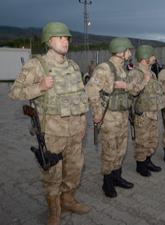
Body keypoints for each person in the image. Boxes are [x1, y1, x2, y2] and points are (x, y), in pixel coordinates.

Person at [9, 22, 90, 225]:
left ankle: (68, 199)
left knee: (74, 169)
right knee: (52, 174)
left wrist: (83, 124)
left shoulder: (73, 66)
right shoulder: (37, 65)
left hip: (74, 132)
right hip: (52, 132)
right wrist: (40, 86)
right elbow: (15, 92)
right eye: (61, 37)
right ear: (49, 40)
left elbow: (80, 98)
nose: (66, 41)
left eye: (67, 38)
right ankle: (54, 210)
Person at [85, 37, 134, 198]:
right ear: (121, 52)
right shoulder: (105, 68)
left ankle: (117, 177)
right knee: (109, 151)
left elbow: (128, 90)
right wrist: (97, 113)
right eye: (128, 50)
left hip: (122, 115)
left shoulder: (122, 69)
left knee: (121, 149)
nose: (130, 53)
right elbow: (91, 90)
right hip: (109, 117)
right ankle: (107, 182)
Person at [116, 45, 165, 177]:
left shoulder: (152, 73)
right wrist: (145, 80)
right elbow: (132, 91)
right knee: (141, 141)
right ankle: (141, 165)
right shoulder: (135, 73)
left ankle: (148, 161)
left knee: (153, 140)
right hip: (142, 114)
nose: (154, 58)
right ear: (145, 58)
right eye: (152, 56)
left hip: (153, 113)